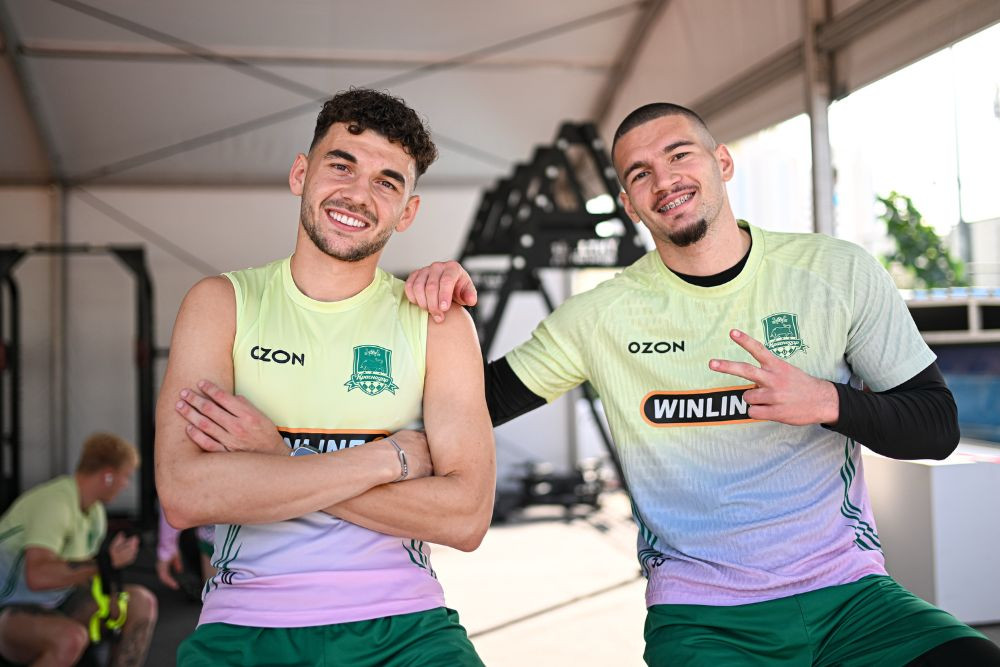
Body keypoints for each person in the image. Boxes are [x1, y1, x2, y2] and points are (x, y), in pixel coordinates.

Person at [403, 103, 1000, 665]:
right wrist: (446, 317)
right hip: (702, 615)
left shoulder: (836, 271)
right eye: (640, 174)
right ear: (629, 204)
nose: (664, 180)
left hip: (853, 597)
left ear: (723, 162)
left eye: (679, 155)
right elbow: (473, 405)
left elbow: (936, 428)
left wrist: (827, 400)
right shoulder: (599, 316)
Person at [155, 88, 494, 666]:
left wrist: (277, 459)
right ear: (300, 174)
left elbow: (464, 518)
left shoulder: (438, 322)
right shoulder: (220, 304)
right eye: (342, 166)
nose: (358, 194)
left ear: (407, 212)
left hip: (406, 630)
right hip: (245, 624)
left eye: (386, 182)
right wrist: (388, 459)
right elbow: (186, 495)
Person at [0, 432, 157, 667]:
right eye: (125, 477)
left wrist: (107, 571)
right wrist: (105, 562)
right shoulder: (55, 503)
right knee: (71, 639)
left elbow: (80, 575)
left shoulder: (95, 513)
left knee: (141, 602)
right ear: (107, 476)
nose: (126, 485)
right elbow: (37, 576)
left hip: (59, 602)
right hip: (10, 609)